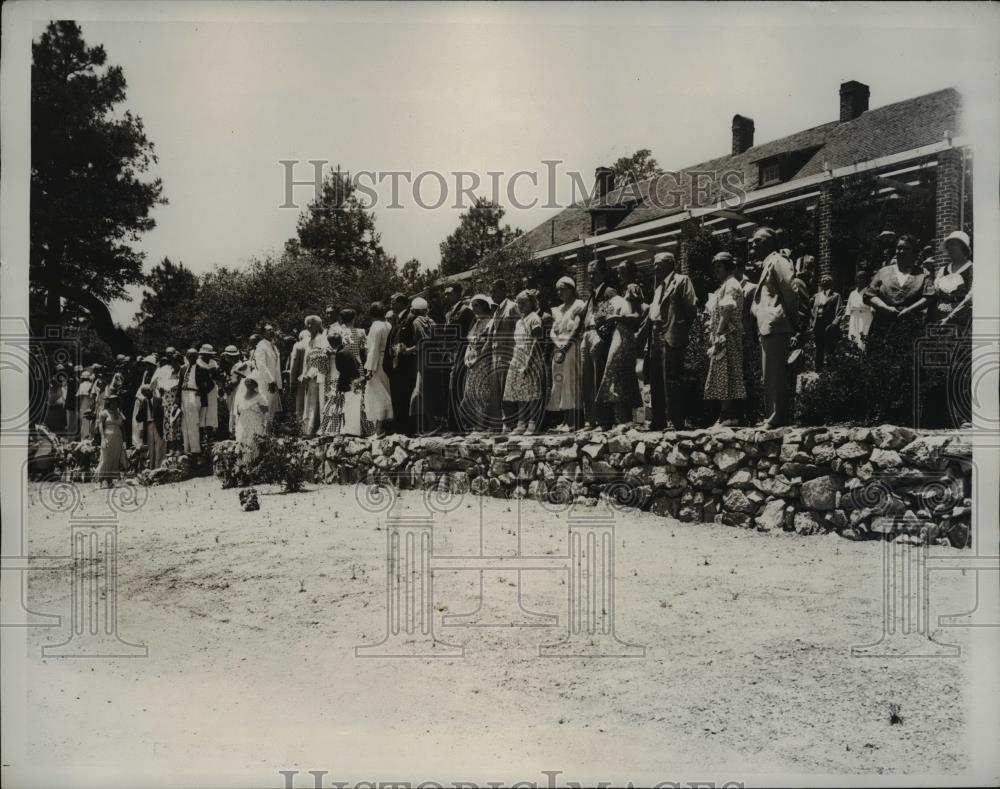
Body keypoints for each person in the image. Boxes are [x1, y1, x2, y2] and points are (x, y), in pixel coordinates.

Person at [640, 251, 697, 430]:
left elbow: (691, 307)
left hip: (672, 333)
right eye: (654, 264)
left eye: (659, 263)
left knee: (671, 378)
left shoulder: (681, 280)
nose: (655, 267)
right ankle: (659, 420)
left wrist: (679, 328)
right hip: (656, 334)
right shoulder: (658, 288)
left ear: (670, 264)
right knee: (656, 378)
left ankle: (675, 421)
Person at [750, 226, 801, 428]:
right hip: (767, 326)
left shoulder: (778, 261)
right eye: (753, 241)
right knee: (769, 374)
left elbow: (790, 291)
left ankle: (777, 417)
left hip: (776, 325)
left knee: (776, 373)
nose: (754, 244)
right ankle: (771, 415)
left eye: (758, 240)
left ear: (771, 243)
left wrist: (789, 319)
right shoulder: (766, 264)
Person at [703, 252, 747, 427]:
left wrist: (718, 335)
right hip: (724, 336)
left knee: (727, 374)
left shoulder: (731, 285)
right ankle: (728, 414)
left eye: (719, 266)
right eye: (714, 267)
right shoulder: (724, 285)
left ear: (728, 267)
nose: (716, 270)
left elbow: (727, 312)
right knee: (723, 375)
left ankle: (727, 415)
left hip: (727, 336)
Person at [863, 233, 935, 335]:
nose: (901, 251)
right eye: (899, 248)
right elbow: (869, 295)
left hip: (910, 327)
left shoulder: (923, 274)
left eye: (906, 249)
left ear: (914, 252)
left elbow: (929, 297)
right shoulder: (883, 272)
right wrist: (885, 308)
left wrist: (909, 310)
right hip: (883, 327)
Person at [596, 275, 643, 428]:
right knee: (616, 376)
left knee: (618, 374)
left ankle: (625, 419)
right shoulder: (620, 300)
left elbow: (637, 316)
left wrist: (616, 317)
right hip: (618, 336)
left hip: (624, 339)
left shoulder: (631, 292)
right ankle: (621, 418)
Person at [581, 256, 618, 429]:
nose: (591, 277)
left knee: (599, 378)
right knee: (586, 379)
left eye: (595, 273)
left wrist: (601, 334)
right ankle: (591, 418)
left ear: (604, 273)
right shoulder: (592, 294)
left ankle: (604, 419)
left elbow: (609, 316)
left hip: (597, 335)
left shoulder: (609, 292)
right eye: (589, 274)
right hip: (586, 335)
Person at [503, 290, 546, 434]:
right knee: (520, 392)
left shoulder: (534, 318)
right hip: (518, 356)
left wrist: (529, 361)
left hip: (530, 357)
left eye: (524, 302)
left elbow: (536, 342)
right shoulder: (519, 321)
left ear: (532, 303)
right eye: (518, 303)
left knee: (532, 392)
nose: (520, 305)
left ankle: (532, 423)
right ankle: (521, 423)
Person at [546, 276, 585, 431]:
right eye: (558, 289)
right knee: (559, 381)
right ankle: (563, 420)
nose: (559, 292)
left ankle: (573, 421)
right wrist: (558, 345)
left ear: (571, 288)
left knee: (571, 380)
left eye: (563, 288)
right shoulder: (558, 309)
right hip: (559, 348)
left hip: (571, 347)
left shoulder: (578, 305)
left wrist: (565, 346)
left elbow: (576, 328)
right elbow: (553, 330)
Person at [458, 294, 496, 432]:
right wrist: (467, 356)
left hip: (483, 360)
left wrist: (478, 356)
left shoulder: (490, 322)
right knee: (472, 392)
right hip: (471, 361)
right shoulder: (476, 322)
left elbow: (487, 341)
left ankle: (483, 424)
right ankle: (475, 424)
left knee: (482, 392)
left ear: (484, 305)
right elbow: (470, 342)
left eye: (476, 305)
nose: (474, 308)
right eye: (472, 306)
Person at [487, 279, 519, 431]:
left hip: (508, 354)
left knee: (508, 391)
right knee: (498, 392)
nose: (491, 294)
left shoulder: (512, 307)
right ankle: (500, 425)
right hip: (496, 356)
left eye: (493, 291)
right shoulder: (497, 310)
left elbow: (520, 329)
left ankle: (510, 424)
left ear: (502, 290)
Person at [442, 285, 475, 433]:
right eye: (445, 294)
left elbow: (468, 334)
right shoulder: (449, 313)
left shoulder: (466, 311)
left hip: (462, 353)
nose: (446, 297)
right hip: (451, 355)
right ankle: (455, 426)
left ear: (457, 293)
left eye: (449, 293)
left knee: (457, 388)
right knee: (452, 388)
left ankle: (460, 426)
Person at [407, 297, 438, 435]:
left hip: (423, 359)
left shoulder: (416, 322)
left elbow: (422, 341)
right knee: (429, 391)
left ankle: (431, 425)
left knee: (421, 392)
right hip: (435, 359)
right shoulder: (432, 321)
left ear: (414, 310)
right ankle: (429, 424)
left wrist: (409, 350)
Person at [933, 230, 973, 332]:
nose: (950, 248)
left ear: (963, 248)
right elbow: (936, 294)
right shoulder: (943, 270)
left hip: (963, 320)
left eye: (954, 245)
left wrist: (950, 318)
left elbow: (970, 298)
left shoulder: (972, 269)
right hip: (941, 319)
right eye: (948, 245)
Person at [387, 292, 415, 435]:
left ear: (401, 303)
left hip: (406, 366)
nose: (391, 305)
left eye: (393, 302)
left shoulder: (410, 318)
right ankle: (400, 428)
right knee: (397, 397)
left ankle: (407, 429)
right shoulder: (397, 319)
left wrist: (407, 351)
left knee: (405, 396)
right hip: (396, 366)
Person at [364, 302, 393, 436]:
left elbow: (373, 349)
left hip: (377, 362)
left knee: (378, 394)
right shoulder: (388, 324)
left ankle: (380, 428)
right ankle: (385, 426)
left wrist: (369, 369)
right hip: (387, 360)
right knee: (386, 391)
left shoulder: (376, 326)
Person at [300, 315, 331, 437]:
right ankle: (308, 428)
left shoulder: (321, 339)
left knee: (315, 402)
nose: (308, 326)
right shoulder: (309, 340)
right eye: (307, 323)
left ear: (318, 325)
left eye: (311, 323)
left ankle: (312, 429)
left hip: (316, 375)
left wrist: (309, 374)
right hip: (308, 375)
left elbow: (320, 359)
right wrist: (304, 374)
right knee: (310, 401)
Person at [233, 375, 269, 461]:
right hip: (243, 426)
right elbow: (238, 413)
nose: (248, 382)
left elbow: (266, 413)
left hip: (255, 426)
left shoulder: (260, 397)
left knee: (253, 445)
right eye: (247, 381)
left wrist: (266, 425)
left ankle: (253, 466)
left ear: (255, 384)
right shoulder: (240, 397)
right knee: (242, 445)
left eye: (251, 381)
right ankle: (242, 467)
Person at [95, 393, 127, 487]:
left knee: (114, 458)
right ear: (109, 403)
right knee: (105, 458)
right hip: (107, 437)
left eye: (115, 402)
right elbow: (101, 426)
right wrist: (103, 438)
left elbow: (123, 427)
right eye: (112, 402)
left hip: (118, 438)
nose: (114, 404)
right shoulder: (104, 412)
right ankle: (101, 479)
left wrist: (124, 441)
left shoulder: (119, 413)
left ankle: (109, 480)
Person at [811, 274, 842, 371]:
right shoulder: (817, 295)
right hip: (818, 323)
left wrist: (834, 324)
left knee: (829, 346)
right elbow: (812, 309)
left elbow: (840, 311)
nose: (822, 282)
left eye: (825, 280)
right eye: (822, 280)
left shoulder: (836, 296)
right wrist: (812, 322)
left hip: (828, 324)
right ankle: (818, 368)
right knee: (819, 346)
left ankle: (830, 369)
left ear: (830, 283)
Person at [253, 325, 283, 426]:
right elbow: (261, 365)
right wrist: (270, 381)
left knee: (272, 407)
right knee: (265, 405)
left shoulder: (273, 346)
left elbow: (276, 367)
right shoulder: (261, 346)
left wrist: (279, 384)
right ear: (263, 333)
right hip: (266, 382)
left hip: (274, 382)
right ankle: (262, 431)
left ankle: (269, 431)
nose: (271, 332)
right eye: (268, 330)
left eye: (272, 329)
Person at [195, 345, 221, 454]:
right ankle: (200, 440)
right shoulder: (197, 362)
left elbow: (216, 376)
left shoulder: (213, 362)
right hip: (201, 390)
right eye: (206, 354)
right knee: (201, 414)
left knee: (211, 414)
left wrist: (213, 373)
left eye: (209, 355)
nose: (208, 356)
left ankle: (210, 438)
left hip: (212, 390)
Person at [134, 384, 166, 470]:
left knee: (159, 446)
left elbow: (163, 415)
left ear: (151, 391)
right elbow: (138, 418)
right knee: (151, 447)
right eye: (144, 393)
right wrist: (142, 408)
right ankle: (152, 468)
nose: (146, 394)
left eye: (147, 392)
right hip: (148, 425)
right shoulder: (144, 402)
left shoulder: (159, 400)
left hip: (157, 425)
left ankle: (158, 467)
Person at [846, 270, 875, 349]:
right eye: (859, 278)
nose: (860, 280)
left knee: (863, 337)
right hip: (854, 317)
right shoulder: (852, 293)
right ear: (856, 279)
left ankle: (863, 357)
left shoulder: (869, 292)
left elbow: (873, 306)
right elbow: (848, 307)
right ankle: (854, 357)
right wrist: (848, 316)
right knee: (853, 336)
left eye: (863, 278)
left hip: (865, 317)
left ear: (866, 280)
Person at [77, 369, 96, 441]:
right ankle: (90, 438)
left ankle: (84, 438)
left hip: (84, 403)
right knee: (90, 421)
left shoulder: (81, 385)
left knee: (84, 421)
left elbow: (80, 396)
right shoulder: (92, 385)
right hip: (90, 404)